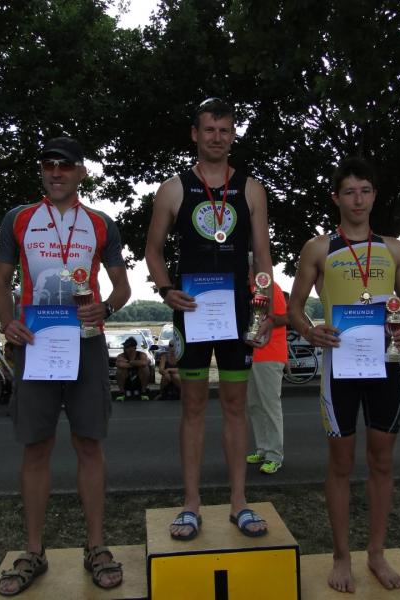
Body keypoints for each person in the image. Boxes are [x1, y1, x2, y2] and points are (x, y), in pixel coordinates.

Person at [0, 135, 130, 594]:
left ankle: (96, 546)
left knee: (89, 444)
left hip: (86, 342)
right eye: (49, 165)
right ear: (41, 171)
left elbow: (122, 287)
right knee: (36, 447)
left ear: (81, 172)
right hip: (36, 341)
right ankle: (33, 551)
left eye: (65, 166)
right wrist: (7, 323)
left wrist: (106, 308)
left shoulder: (101, 223)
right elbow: (1, 281)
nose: (56, 173)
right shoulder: (18, 218)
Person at [144, 98, 275, 540]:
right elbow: (153, 250)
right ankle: (191, 504)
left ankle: (239, 502)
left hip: (238, 313)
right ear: (195, 135)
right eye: (209, 129)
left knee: (236, 406)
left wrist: (263, 310)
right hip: (193, 311)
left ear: (233, 135)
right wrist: (166, 289)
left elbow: (262, 256)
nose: (217, 137)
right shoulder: (173, 189)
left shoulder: (251, 188)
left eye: (224, 130)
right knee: (193, 407)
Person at [287, 157, 400, 593]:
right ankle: (341, 556)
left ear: (374, 195)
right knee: (341, 463)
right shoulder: (318, 248)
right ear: (336, 198)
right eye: (349, 192)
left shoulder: (395, 249)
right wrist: (310, 330)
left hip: (385, 365)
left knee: (381, 460)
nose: (358, 200)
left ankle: (376, 553)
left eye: (365, 191)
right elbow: (294, 307)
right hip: (339, 365)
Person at [246, 279, 288, 474]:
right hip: (250, 355)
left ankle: (274, 456)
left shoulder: (270, 287)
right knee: (254, 405)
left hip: (270, 353)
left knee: (270, 407)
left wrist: (267, 323)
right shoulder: (246, 289)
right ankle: (263, 449)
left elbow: (285, 317)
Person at [115, 336, 150, 401]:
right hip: (127, 381)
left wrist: (129, 362)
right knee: (120, 370)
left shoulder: (141, 354)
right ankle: (121, 393)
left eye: (127, 347)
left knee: (145, 368)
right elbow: (119, 364)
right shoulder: (121, 355)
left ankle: (143, 392)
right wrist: (136, 364)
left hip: (139, 380)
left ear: (134, 347)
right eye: (125, 347)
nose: (125, 348)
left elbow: (145, 363)